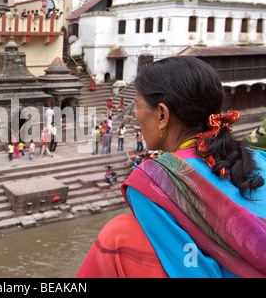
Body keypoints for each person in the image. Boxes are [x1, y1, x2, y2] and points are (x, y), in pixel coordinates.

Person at [77, 56, 266, 278]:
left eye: (138, 107)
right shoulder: (258, 157)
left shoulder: (155, 180)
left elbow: (192, 270)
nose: (136, 117)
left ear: (162, 115)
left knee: (118, 234)